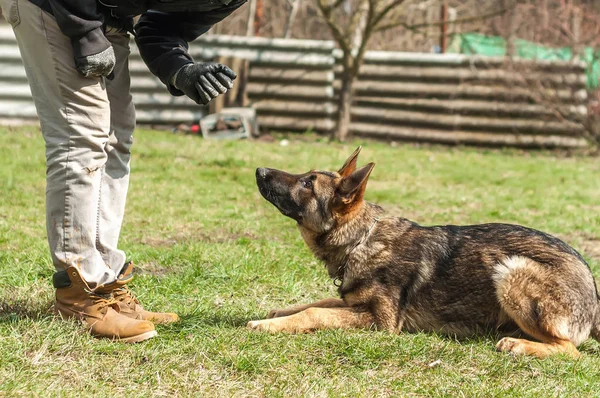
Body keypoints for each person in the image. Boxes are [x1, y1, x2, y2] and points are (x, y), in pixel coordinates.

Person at [0, 0, 246, 342]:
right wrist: (85, 32)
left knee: (117, 136)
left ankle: (104, 282)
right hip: (57, 7)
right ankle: (79, 290)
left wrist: (181, 70)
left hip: (106, 16)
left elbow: (161, 26)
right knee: (81, 133)